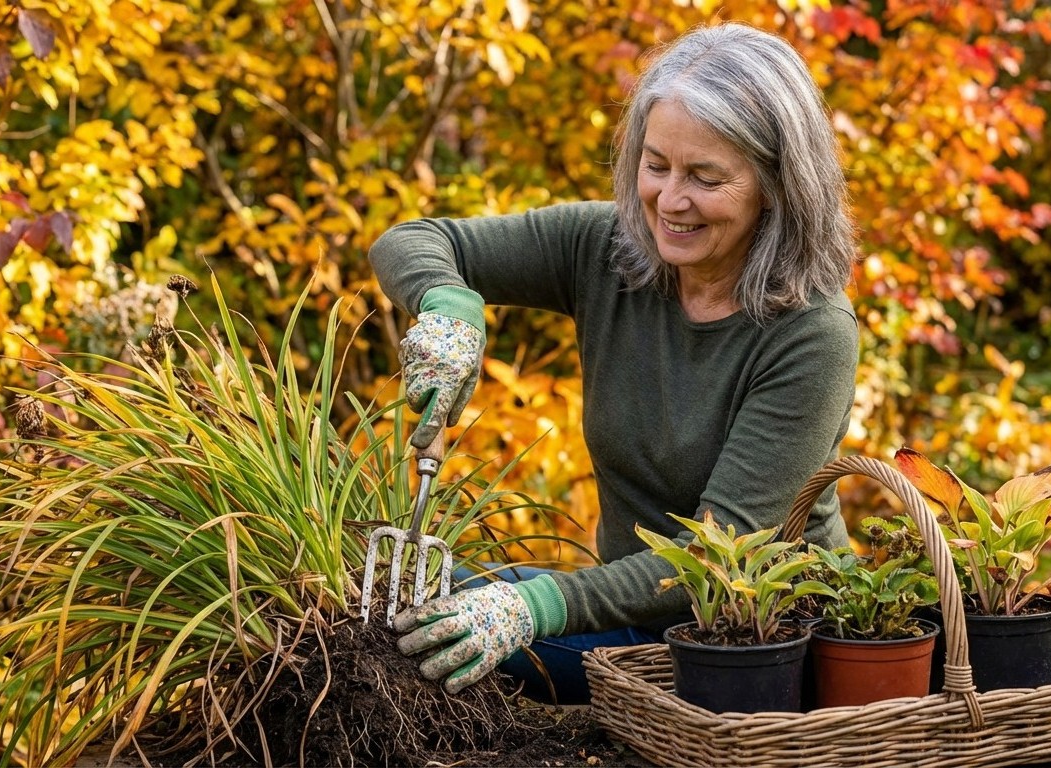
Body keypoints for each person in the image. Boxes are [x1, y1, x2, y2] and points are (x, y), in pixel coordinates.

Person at [367, 21, 859, 704]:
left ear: (775, 186)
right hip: (629, 618)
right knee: (409, 608)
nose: (669, 199)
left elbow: (710, 561)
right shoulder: (608, 248)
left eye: (705, 177)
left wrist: (530, 607)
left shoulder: (811, 334)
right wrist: (449, 306)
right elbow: (412, 240)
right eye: (655, 165)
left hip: (760, 652)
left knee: (439, 633)